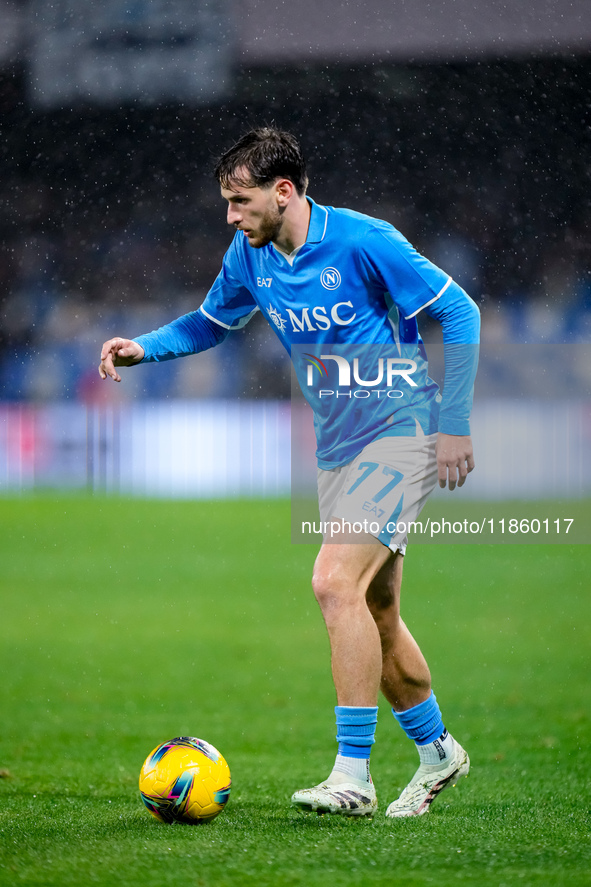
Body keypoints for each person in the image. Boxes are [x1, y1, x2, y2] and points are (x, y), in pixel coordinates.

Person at [99, 127, 480, 818]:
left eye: (239, 200)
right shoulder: (250, 254)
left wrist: (453, 423)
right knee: (376, 609)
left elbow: (459, 310)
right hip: (338, 445)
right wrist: (143, 349)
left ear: (283, 191)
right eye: (225, 201)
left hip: (402, 429)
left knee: (332, 581)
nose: (229, 215)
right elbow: (211, 323)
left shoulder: (365, 240)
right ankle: (436, 752)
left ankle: (352, 776)